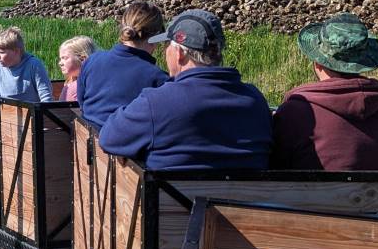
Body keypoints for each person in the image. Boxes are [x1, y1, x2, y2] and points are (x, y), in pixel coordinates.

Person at [99, 9, 271, 170]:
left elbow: (108, 138)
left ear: (179, 53)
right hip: (249, 201)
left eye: (167, 45)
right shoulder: (255, 100)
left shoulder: (157, 103)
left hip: (172, 201)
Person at [271, 13, 378, 170]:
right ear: (363, 62)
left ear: (317, 62)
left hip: (310, 194)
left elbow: (276, 166)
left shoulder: (296, 111)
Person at [77, 1, 169, 126]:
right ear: (157, 36)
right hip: (127, 144)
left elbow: (82, 104)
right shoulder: (158, 78)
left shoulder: (91, 61)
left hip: (87, 139)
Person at [0, 27, 53, 102]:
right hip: (6, 112)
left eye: (1, 52)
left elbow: (46, 98)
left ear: (16, 51)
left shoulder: (34, 65)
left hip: (32, 113)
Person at [58, 36, 100, 102]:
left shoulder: (71, 88)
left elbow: (60, 110)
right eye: (61, 58)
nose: (60, 63)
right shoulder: (102, 81)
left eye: (65, 58)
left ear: (82, 59)